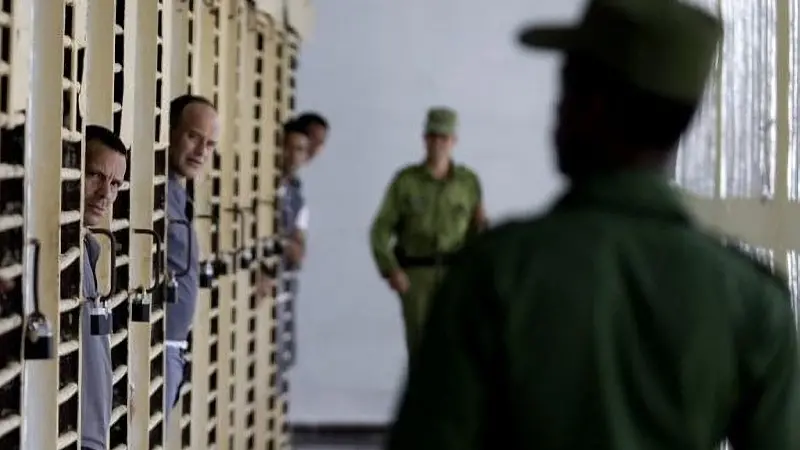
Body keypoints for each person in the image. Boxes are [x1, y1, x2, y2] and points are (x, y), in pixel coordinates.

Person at [386, 1, 800, 449]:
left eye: (567, 85)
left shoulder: (495, 275)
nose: (556, 108)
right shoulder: (753, 301)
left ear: (592, 105)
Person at [369, 107, 486, 357]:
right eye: (433, 136)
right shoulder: (406, 182)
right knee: (422, 348)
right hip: (417, 276)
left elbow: (478, 233)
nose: (438, 143)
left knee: (459, 348)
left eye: (444, 138)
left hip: (455, 274)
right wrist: (391, 269)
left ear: (454, 141)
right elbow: (380, 230)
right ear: (424, 139)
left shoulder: (467, 183)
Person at [165, 94, 218, 417]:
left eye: (209, 144)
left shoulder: (178, 192)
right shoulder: (153, 190)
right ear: (169, 131)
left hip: (174, 346)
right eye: (193, 137)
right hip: (153, 346)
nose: (201, 152)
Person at [81, 125, 128, 450]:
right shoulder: (57, 249)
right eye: (95, 175)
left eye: (115, 184)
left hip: (91, 432)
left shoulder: (86, 247)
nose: (105, 194)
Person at [255, 119, 311, 373]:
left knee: (278, 357)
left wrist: (284, 242)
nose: (292, 155)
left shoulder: (296, 195)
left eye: (300, 149)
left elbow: (299, 251)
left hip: (282, 283)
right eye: (287, 147)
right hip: (259, 283)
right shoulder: (262, 186)